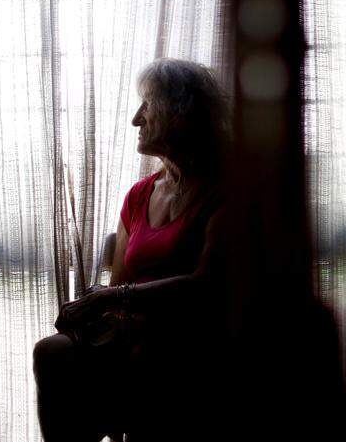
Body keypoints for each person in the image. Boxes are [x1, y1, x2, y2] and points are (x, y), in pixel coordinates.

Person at [32, 58, 231, 442]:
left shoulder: (225, 191)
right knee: (51, 352)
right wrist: (93, 312)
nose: (136, 120)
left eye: (147, 105)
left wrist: (113, 296)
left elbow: (208, 285)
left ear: (181, 113)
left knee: (146, 366)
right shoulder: (140, 195)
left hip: (195, 340)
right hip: (133, 335)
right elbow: (119, 282)